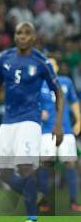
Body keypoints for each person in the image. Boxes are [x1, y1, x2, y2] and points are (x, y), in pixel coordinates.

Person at [0, 22, 63, 222]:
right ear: (15, 35)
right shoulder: (4, 59)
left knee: (26, 167)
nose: (22, 36)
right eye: (18, 33)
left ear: (34, 37)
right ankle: (34, 194)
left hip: (30, 121)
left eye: (27, 33)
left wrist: (57, 124)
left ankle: (32, 221)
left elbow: (59, 93)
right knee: (3, 172)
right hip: (8, 121)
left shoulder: (41, 61)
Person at [37, 58, 80, 212]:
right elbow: (31, 103)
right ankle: (43, 201)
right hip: (46, 131)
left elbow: (74, 102)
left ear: (56, 67)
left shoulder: (66, 81)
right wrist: (38, 112)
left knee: (71, 164)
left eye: (52, 64)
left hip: (66, 130)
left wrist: (79, 121)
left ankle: (74, 201)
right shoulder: (39, 83)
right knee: (45, 164)